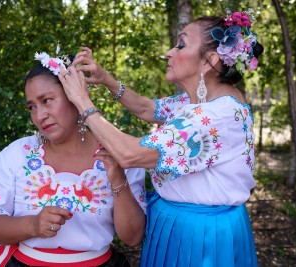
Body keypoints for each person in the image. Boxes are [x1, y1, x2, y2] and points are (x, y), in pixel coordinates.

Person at [58, 10, 263, 267]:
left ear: (209, 60)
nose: (169, 52)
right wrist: (108, 80)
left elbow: (130, 154)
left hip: (200, 236)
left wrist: (81, 100)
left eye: (181, 44)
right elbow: (148, 108)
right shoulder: (198, 102)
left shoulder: (215, 116)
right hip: (177, 223)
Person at [0, 52, 147, 267]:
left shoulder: (118, 153)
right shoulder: (16, 155)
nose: (39, 115)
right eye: (32, 107)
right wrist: (33, 225)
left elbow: (133, 237)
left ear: (75, 95)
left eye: (47, 100)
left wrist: (118, 179)